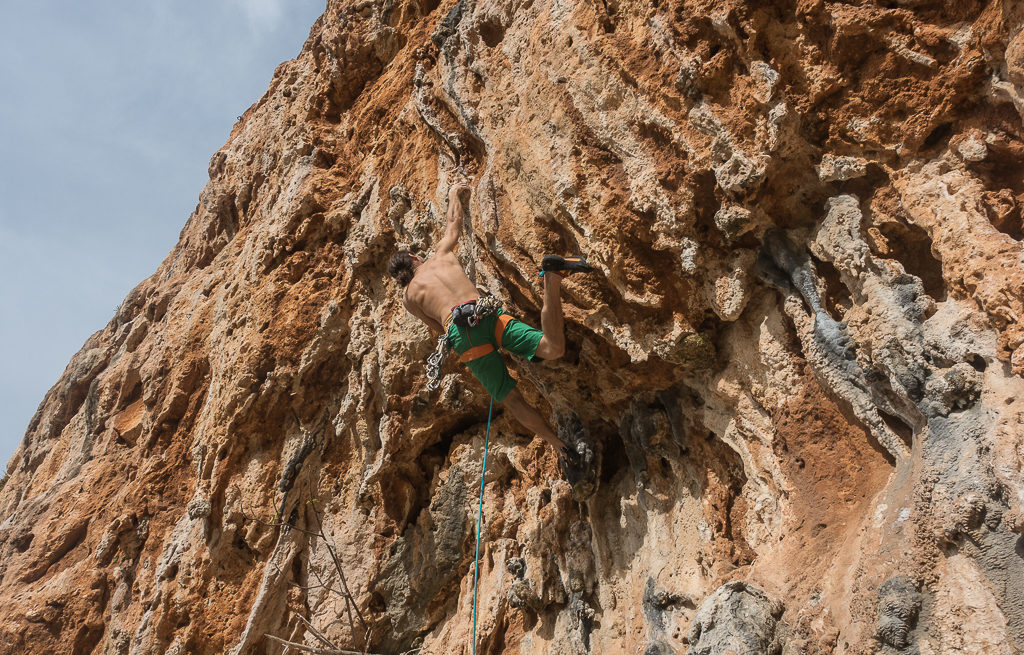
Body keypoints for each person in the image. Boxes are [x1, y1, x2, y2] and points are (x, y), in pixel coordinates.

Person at [388, 180, 593, 452]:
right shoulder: (440, 254)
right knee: (551, 348)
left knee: (513, 400)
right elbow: (454, 223)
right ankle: (552, 278)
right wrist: (452, 194)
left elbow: (438, 329)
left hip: (463, 335)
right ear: (414, 257)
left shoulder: (409, 297)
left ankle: (558, 445)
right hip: (484, 313)